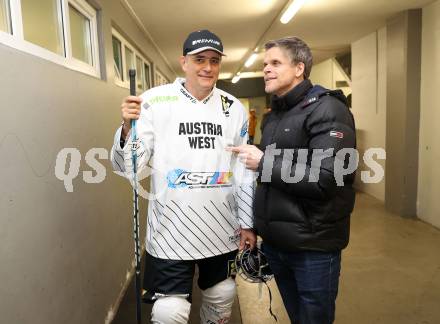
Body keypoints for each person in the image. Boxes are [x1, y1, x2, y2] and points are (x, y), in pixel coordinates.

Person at [111, 29, 256, 324]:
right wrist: (127, 128)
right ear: (184, 62)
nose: (207, 67)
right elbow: (131, 168)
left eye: (214, 61)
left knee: (223, 294)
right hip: (170, 230)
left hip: (221, 228)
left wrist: (248, 222)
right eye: (199, 59)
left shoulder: (234, 108)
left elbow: (242, 171)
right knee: (169, 312)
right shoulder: (154, 100)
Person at [228, 36, 356, 324]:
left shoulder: (329, 110)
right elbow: (288, 160)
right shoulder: (275, 116)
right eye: (265, 64)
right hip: (277, 244)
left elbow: (328, 178)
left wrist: (263, 162)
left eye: (275, 63)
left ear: (299, 68)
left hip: (313, 247)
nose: (266, 70)